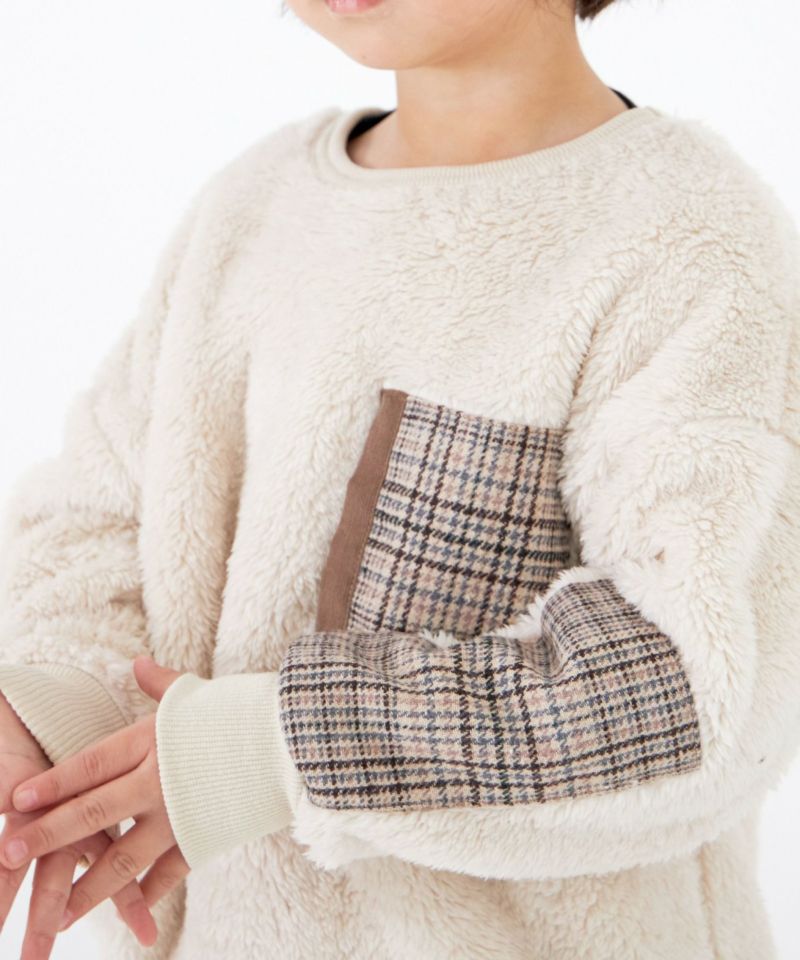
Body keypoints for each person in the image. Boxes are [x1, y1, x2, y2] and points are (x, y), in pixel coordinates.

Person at [0, 0, 799, 957]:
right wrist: (52, 717)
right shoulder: (255, 208)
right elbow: (100, 515)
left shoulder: (689, 240)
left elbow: (689, 690)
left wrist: (277, 746)